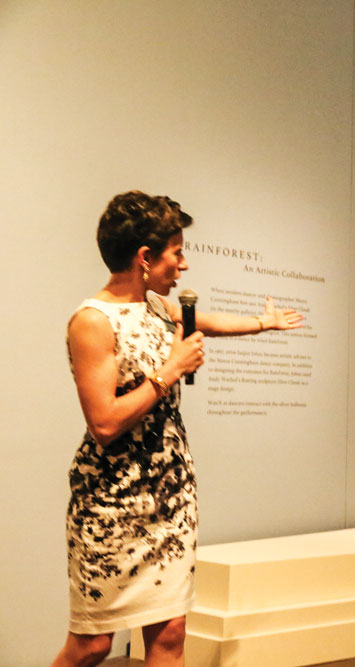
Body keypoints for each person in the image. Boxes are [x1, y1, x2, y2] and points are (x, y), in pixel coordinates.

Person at [54, 191, 302, 667]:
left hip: (170, 496)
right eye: (176, 252)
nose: (183, 265)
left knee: (170, 635)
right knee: (93, 645)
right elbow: (103, 422)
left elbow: (209, 323)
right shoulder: (92, 322)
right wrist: (169, 371)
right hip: (111, 501)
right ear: (145, 258)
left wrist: (262, 323)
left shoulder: (159, 308)